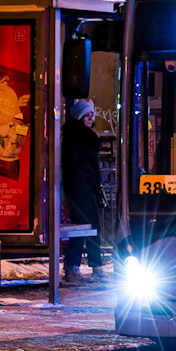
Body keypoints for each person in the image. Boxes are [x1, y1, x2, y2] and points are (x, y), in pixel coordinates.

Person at [60, 99, 105, 282]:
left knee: (83, 226)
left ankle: (75, 266)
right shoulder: (82, 138)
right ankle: (91, 267)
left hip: (81, 187)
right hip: (81, 187)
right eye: (86, 114)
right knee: (88, 226)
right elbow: (82, 166)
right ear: (79, 116)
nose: (90, 117)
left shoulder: (73, 136)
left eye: (91, 114)